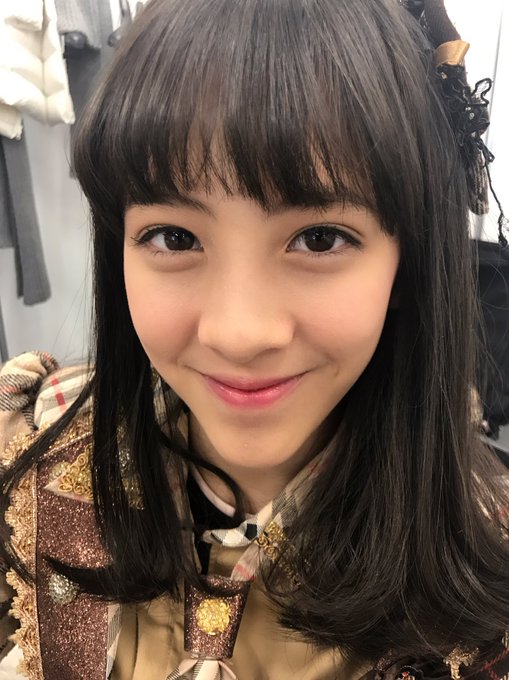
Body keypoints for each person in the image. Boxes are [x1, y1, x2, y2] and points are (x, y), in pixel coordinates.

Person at [0, 0, 508, 678]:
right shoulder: (27, 456)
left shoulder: (487, 568)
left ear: (408, 260)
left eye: (319, 238)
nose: (238, 334)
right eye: (174, 237)